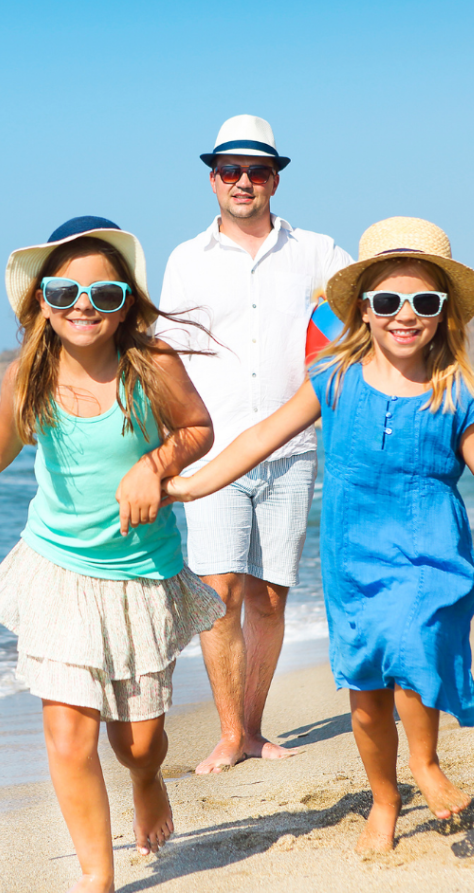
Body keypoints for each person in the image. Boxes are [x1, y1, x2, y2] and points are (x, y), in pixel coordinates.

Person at [164, 217, 474, 852]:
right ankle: (384, 800)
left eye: (423, 303)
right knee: (365, 690)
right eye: (387, 301)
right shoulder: (332, 379)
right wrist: (192, 484)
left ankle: (425, 765)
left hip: (432, 555)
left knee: (412, 656)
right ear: (363, 310)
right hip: (354, 561)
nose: (405, 316)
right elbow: (258, 438)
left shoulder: (455, 391)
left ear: (443, 315)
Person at [0, 217, 224, 893]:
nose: (83, 308)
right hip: (58, 570)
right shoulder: (30, 372)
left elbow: (199, 429)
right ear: (41, 300)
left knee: (137, 743)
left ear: (126, 300)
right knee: (68, 738)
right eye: (65, 293)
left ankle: (148, 783)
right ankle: (97, 879)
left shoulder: (149, 365)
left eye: (102, 295)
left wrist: (155, 463)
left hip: (138, 578)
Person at [158, 114, 352, 774]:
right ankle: (226, 733)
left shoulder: (319, 252)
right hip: (211, 457)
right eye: (230, 170)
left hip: (293, 453)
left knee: (269, 595)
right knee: (218, 597)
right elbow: (170, 359)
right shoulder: (186, 259)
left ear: (276, 178)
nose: (244, 182)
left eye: (258, 171)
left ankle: (253, 728)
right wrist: (165, 452)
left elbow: (361, 310)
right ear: (213, 177)